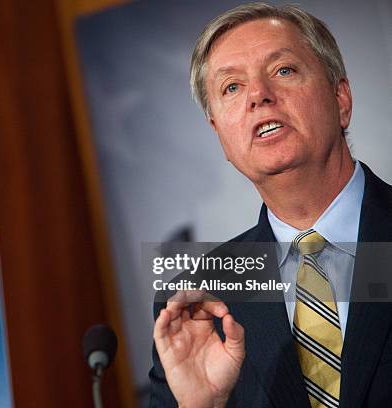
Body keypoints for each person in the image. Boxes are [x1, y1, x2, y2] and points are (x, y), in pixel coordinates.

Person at [149, 2, 392, 407]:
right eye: (232, 87)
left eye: (284, 70)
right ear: (220, 136)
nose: (259, 96)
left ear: (341, 98)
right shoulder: (198, 302)